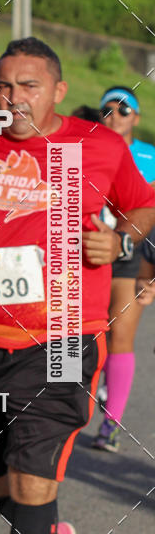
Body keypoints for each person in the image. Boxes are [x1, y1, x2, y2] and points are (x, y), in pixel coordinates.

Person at [0, 38, 155, 534]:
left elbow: (143, 205)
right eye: (4, 86)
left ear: (58, 91)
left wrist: (119, 236)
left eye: (29, 86)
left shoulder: (100, 145)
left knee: (34, 474)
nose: (13, 98)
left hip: (67, 337)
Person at [91, 86, 155, 451]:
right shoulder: (84, 147)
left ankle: (111, 424)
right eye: (107, 109)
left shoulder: (149, 157)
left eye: (123, 109)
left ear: (137, 117)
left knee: (121, 338)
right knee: (84, 335)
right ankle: (78, 401)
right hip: (87, 252)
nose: (114, 115)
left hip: (131, 254)